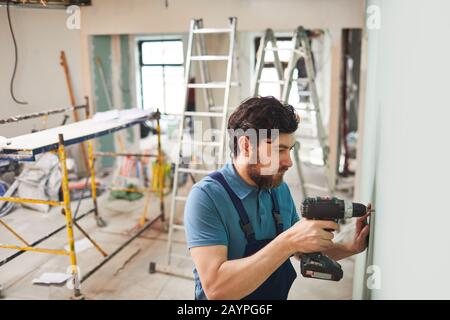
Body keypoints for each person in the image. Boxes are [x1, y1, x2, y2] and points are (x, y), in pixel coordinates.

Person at [184, 96, 370, 300]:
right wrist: (288, 241)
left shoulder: (278, 190)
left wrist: (350, 247)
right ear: (246, 146)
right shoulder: (206, 197)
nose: (288, 162)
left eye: (289, 150)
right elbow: (217, 290)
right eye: (279, 150)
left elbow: (302, 251)